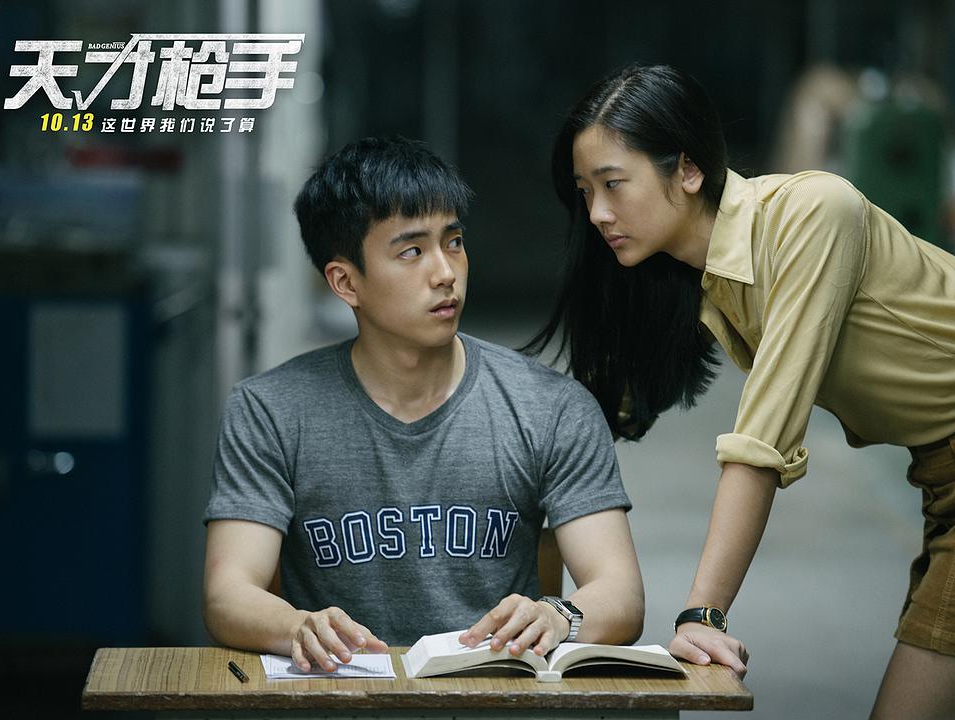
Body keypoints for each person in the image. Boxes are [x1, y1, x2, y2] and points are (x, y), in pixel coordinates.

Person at [527, 63, 955, 718]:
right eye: (585, 191)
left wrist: (702, 613)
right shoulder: (703, 283)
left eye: (613, 184)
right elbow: (592, 425)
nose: (598, 213)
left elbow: (761, 444)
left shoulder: (813, 215)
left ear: (687, 171)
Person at [203, 136, 644, 673]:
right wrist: (297, 626)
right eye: (411, 251)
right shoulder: (270, 411)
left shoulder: (550, 407)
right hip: (342, 697)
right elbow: (228, 593)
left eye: (453, 242)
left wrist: (560, 615)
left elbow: (620, 593)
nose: (445, 273)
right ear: (345, 282)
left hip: (494, 695)